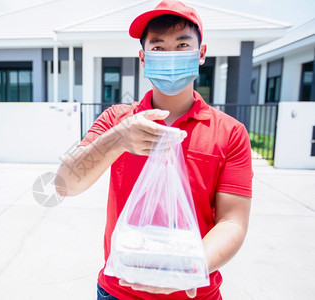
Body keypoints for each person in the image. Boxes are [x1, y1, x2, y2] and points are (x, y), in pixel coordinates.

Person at [56, 1, 253, 299]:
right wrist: (118, 139)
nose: (170, 56)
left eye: (182, 44)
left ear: (200, 54)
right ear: (143, 58)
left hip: (195, 292)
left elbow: (232, 221)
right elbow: (64, 184)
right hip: (118, 291)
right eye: (158, 48)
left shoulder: (230, 133)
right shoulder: (116, 121)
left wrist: (190, 266)